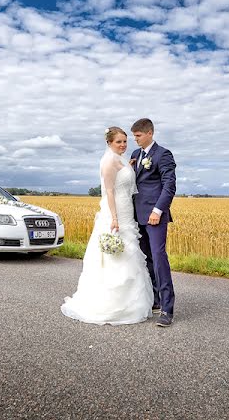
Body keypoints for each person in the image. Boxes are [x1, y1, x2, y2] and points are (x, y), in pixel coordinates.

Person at [61, 127, 154, 325]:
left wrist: (128, 166)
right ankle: (112, 303)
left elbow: (124, 177)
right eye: (118, 142)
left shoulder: (120, 160)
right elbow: (109, 191)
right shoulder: (108, 161)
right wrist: (114, 218)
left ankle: (132, 301)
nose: (123, 145)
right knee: (116, 255)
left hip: (127, 210)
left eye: (125, 141)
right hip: (117, 211)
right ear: (109, 143)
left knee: (129, 251)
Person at [130, 118, 177, 327]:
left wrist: (158, 210)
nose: (135, 140)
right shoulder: (134, 155)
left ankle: (167, 309)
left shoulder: (163, 154)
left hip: (155, 216)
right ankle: (155, 301)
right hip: (136, 216)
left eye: (138, 136)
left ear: (149, 133)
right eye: (134, 136)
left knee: (159, 259)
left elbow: (169, 186)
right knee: (146, 260)